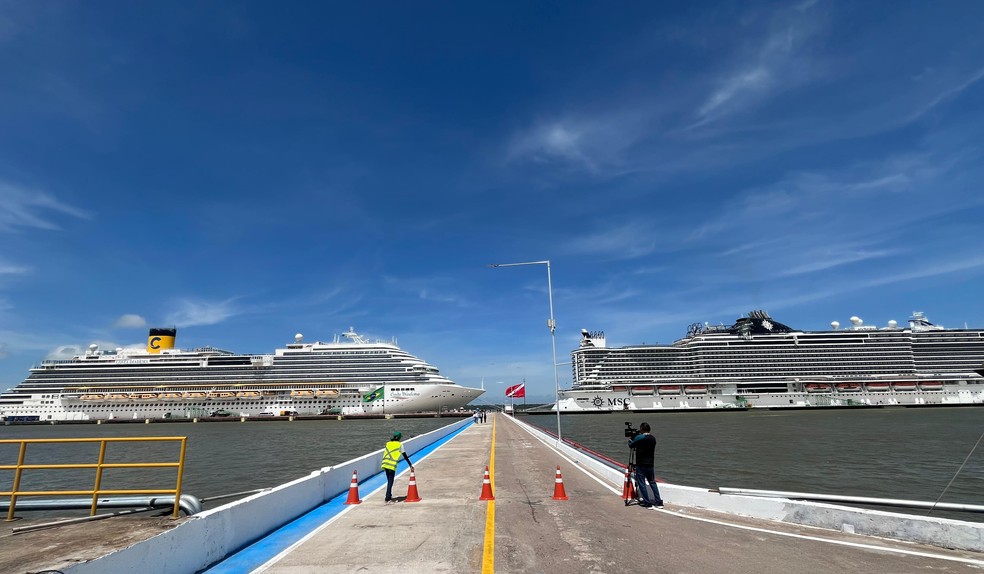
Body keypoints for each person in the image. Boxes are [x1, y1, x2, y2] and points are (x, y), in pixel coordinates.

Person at [627, 422, 664, 509]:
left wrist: (630, 440)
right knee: (652, 482)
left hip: (641, 464)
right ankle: (659, 502)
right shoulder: (653, 438)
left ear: (641, 429)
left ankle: (647, 503)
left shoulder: (640, 437)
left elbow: (631, 445)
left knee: (642, 483)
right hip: (650, 464)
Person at [381, 431, 414, 503]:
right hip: (391, 464)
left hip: (385, 463)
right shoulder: (400, 445)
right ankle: (387, 497)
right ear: (399, 438)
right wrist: (410, 465)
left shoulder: (388, 443)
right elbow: (405, 456)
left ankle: (389, 495)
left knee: (389, 480)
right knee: (390, 481)